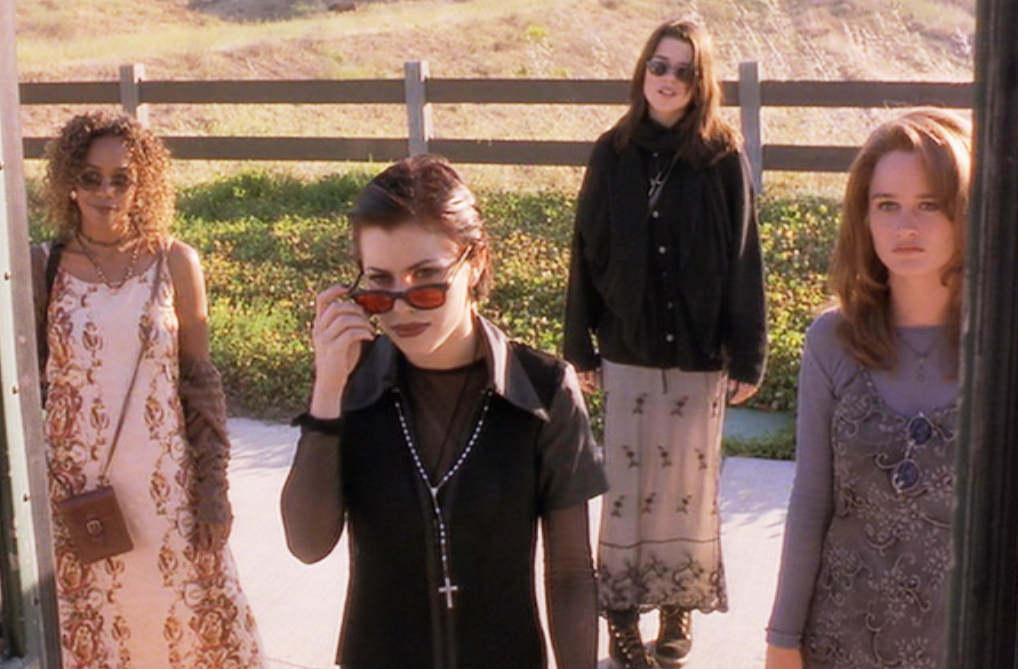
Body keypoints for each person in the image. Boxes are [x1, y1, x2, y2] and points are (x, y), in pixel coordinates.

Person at [279, 154, 608, 669]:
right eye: (378, 285)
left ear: (474, 262)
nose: (403, 304)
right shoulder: (353, 387)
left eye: (426, 279)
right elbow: (307, 543)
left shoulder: (542, 389)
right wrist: (327, 393)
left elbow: (569, 572)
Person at [563, 18, 767, 669]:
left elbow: (744, 257)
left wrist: (749, 350)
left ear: (700, 82)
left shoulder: (722, 157)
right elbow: (586, 252)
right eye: (659, 65)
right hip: (627, 348)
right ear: (642, 72)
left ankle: (678, 605)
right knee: (626, 487)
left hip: (700, 356)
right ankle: (622, 613)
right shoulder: (612, 151)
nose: (668, 79)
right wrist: (580, 347)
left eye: (683, 70)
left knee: (687, 484)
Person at [32, 110, 265, 668]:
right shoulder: (42, 267)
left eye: (122, 178)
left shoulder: (176, 262)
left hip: (168, 498)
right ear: (69, 181)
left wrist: (213, 492)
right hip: (77, 503)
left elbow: (200, 385)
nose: (107, 192)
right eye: (91, 177)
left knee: (187, 643)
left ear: (144, 183)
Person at [764, 107, 971, 669]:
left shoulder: (1000, 345)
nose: (907, 226)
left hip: (970, 638)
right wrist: (782, 638)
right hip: (842, 634)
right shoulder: (833, 340)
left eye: (930, 205)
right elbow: (811, 500)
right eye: (888, 205)